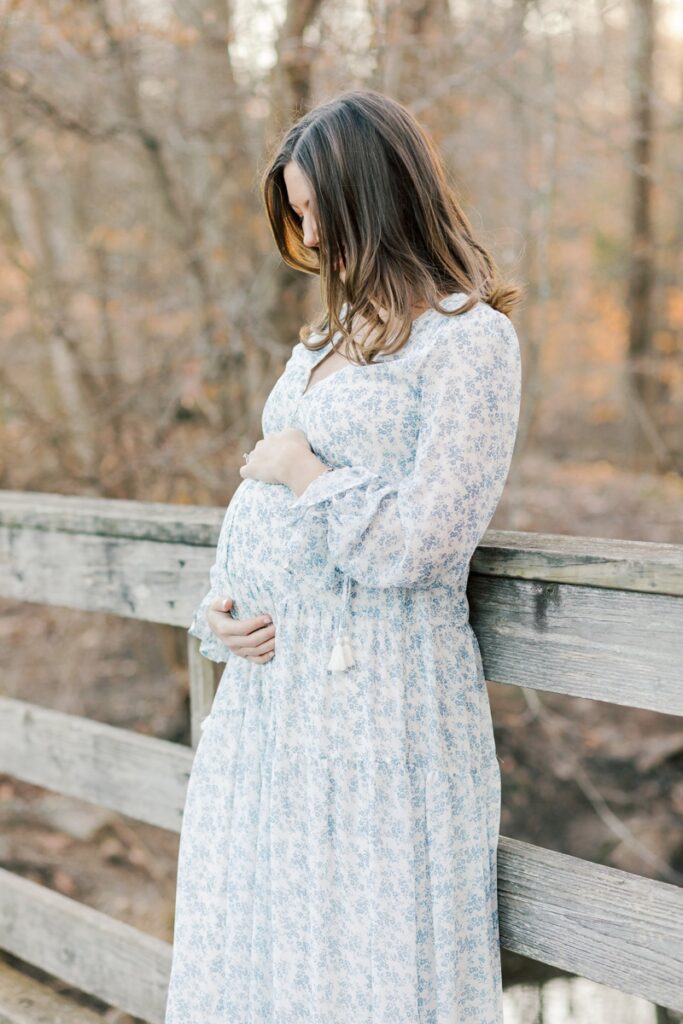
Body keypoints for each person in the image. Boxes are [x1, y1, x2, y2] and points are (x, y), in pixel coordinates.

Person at [164, 88, 522, 1024]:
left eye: (317, 207)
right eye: (296, 213)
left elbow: (426, 544)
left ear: (375, 196)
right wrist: (224, 609)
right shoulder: (323, 340)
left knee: (368, 956)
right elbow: (262, 498)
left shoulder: (470, 343)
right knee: (264, 938)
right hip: (274, 706)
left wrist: (309, 472)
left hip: (381, 707)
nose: (308, 233)